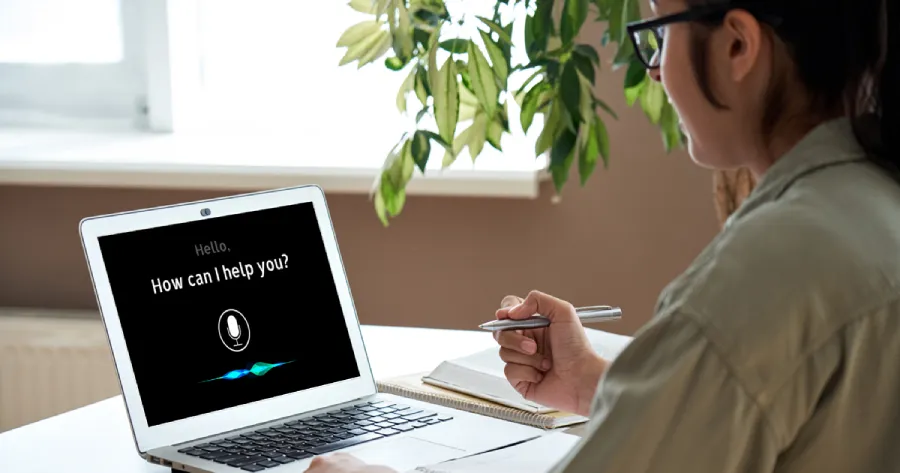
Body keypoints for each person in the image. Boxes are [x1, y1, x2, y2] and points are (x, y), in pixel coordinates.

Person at [306, 0, 898, 471]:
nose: (658, 67)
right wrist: (597, 385)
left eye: (660, 35)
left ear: (738, 45)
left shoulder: (765, 272)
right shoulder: (873, 201)